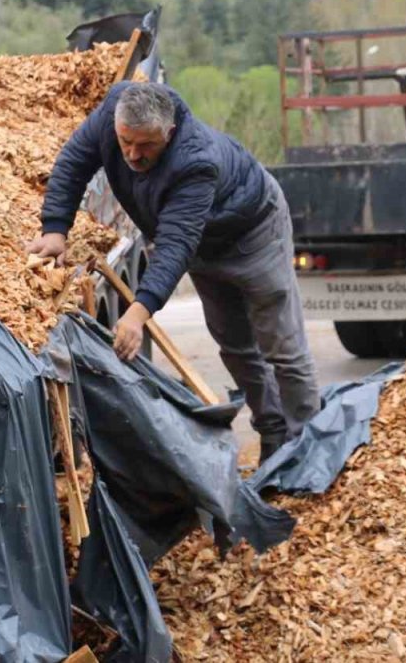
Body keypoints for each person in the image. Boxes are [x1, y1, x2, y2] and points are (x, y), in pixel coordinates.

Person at [26, 81, 320, 460]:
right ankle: (274, 434)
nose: (132, 154)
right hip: (204, 245)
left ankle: (310, 449)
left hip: (254, 236)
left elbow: (175, 245)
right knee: (235, 346)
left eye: (145, 145)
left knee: (281, 345)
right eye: (125, 141)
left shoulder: (195, 161)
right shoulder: (114, 111)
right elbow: (73, 162)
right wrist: (55, 229)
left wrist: (138, 312)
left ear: (170, 132)